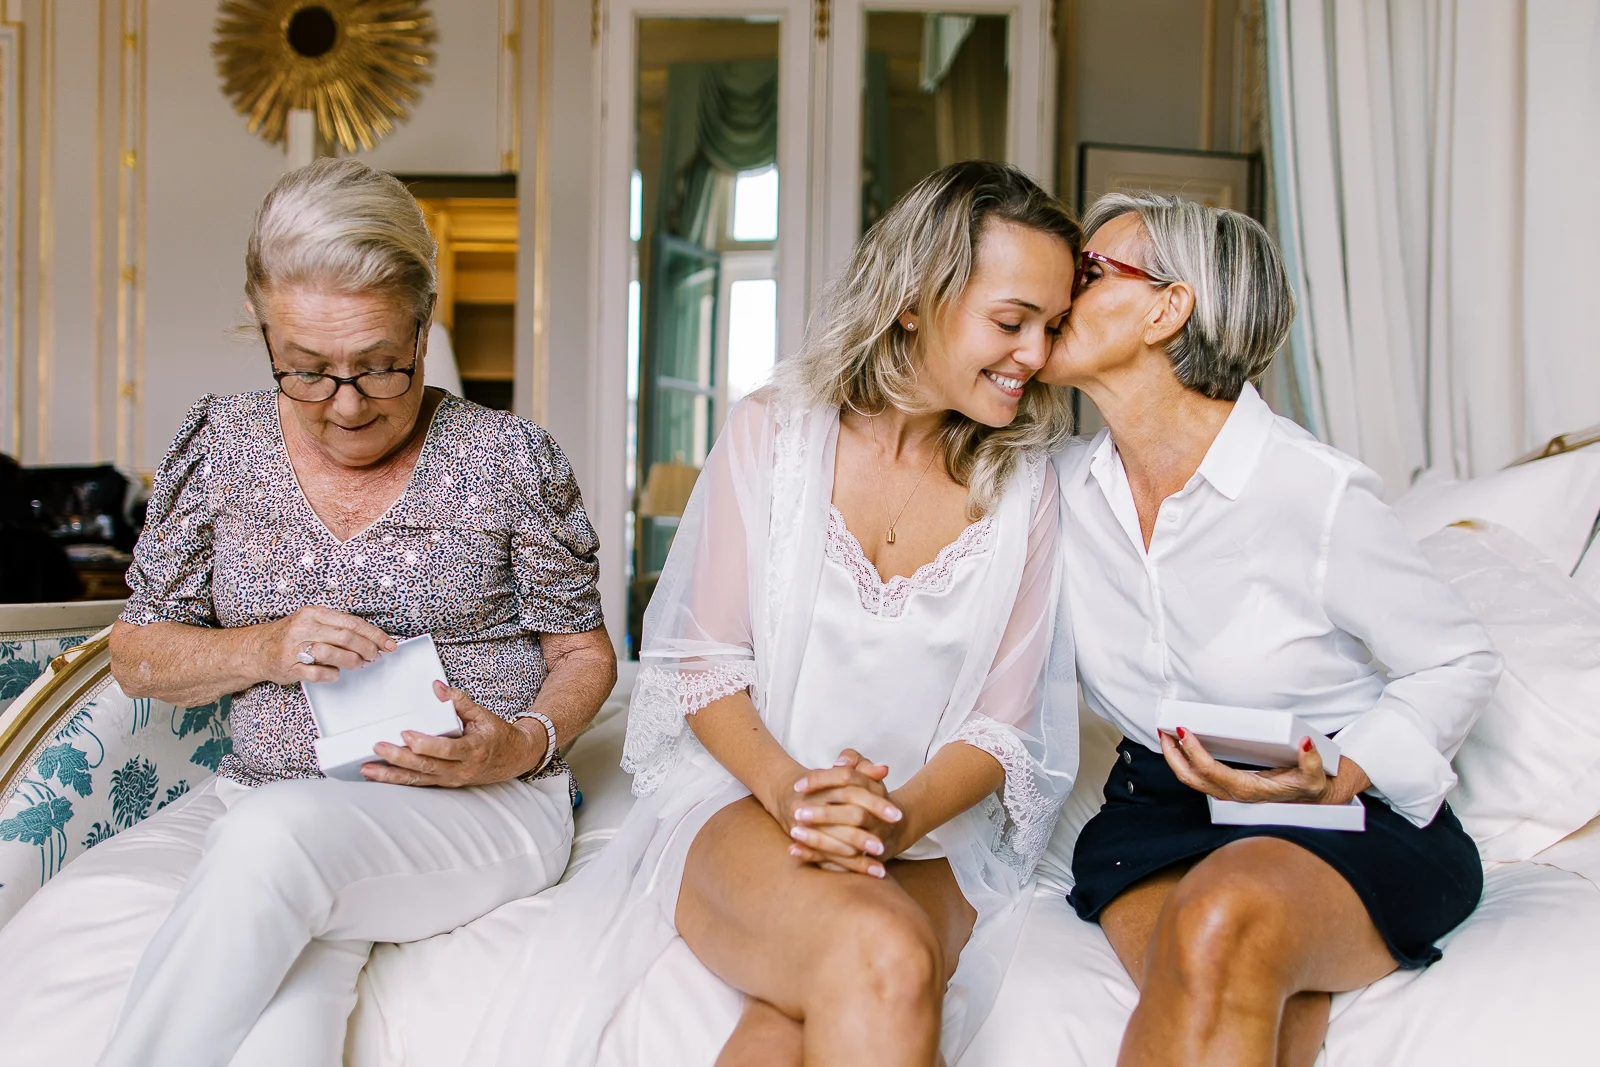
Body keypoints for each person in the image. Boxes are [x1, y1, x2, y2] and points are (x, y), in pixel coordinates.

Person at [454, 161, 1082, 1067]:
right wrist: (793, 791)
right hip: (748, 797)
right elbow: (703, 664)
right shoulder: (775, 433)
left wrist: (893, 817)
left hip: (934, 835)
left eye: (1053, 327)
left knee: (821, 1002)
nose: (1036, 354)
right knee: (883, 953)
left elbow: (1001, 728)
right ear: (914, 301)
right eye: (1012, 321)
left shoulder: (1028, 489)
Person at [0, 158, 616, 1067]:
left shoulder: (509, 458)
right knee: (278, 1010)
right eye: (308, 371)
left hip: (480, 805)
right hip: (270, 794)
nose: (348, 404)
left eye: (381, 366)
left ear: (424, 323)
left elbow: (584, 654)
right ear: (264, 332)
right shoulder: (221, 446)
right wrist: (265, 647)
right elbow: (136, 653)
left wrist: (520, 743)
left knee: (271, 840)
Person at [1038, 192, 1500, 1067]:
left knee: (1222, 923)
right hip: (1156, 811)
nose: (1063, 287)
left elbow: (1459, 658)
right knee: (1230, 978)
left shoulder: (1313, 491)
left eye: (1091, 270)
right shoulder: (1056, 490)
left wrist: (1344, 775)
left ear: (1168, 310)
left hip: (1337, 814)